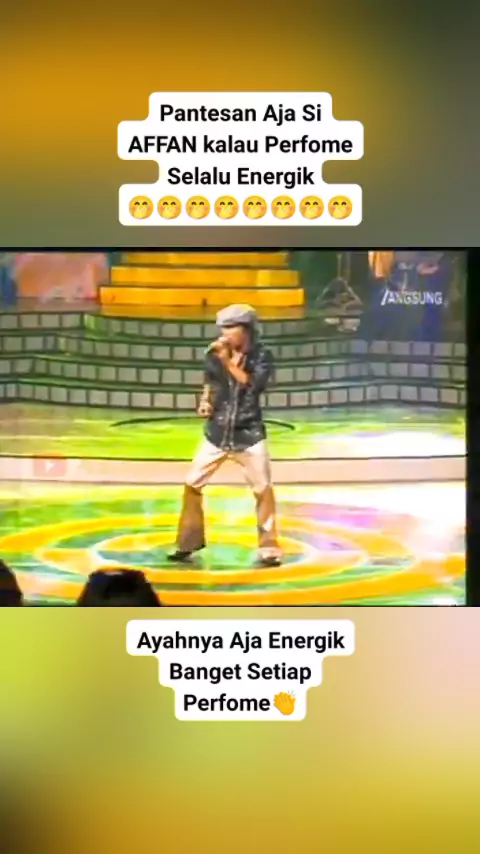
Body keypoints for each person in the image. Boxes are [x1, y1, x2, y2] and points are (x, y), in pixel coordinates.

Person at [168, 304, 282, 568]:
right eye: (223, 328)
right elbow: (210, 380)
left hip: (249, 433)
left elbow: (251, 385)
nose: (225, 333)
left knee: (263, 489)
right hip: (217, 432)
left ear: (247, 330)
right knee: (192, 484)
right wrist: (205, 400)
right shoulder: (215, 353)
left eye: (231, 328)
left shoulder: (262, 356)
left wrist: (227, 361)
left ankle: (268, 548)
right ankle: (187, 543)